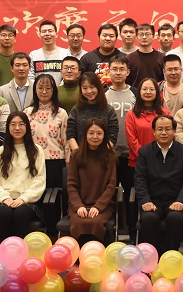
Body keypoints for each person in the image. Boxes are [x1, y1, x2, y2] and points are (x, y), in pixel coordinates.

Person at [134, 115, 183, 253]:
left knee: (175, 217)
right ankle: (154, 255)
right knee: (148, 218)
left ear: (174, 131)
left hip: (176, 201)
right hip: (153, 201)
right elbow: (139, 179)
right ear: (153, 131)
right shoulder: (145, 152)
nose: (163, 133)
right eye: (160, 129)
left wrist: (181, 201)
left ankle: (171, 254)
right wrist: (145, 200)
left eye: (168, 129)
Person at [0, 111, 46, 245]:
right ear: (8, 128)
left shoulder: (36, 150)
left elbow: (39, 180)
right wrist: (5, 198)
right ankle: (0, 253)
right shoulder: (0, 152)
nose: (17, 128)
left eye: (21, 124)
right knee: (4, 214)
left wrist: (23, 199)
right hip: (3, 201)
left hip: (28, 202)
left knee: (20, 213)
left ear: (27, 127)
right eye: (13, 124)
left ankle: (26, 253)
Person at [67, 118, 117, 245]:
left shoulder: (110, 156)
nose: (95, 136)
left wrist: (98, 207)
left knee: (95, 221)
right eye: (91, 133)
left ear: (104, 135)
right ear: (85, 134)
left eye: (99, 133)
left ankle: (98, 253)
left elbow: (111, 186)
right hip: (79, 205)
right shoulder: (75, 156)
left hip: (103, 206)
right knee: (79, 222)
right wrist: (78, 206)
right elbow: (71, 185)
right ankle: (79, 255)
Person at [104, 55, 138, 242]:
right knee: (108, 196)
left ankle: (133, 234)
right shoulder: (103, 94)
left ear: (128, 72)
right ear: (108, 71)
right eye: (114, 69)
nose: (118, 73)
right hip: (108, 156)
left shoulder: (135, 93)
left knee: (131, 196)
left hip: (131, 155)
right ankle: (110, 236)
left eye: (121, 69)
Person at [24, 74, 69, 193]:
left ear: (54, 90)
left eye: (48, 88)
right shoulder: (27, 112)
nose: (44, 92)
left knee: (54, 197)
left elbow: (67, 141)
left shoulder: (61, 113)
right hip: (33, 160)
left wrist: (68, 164)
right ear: (35, 90)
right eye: (40, 88)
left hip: (55, 162)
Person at [67, 72, 119, 156]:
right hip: (81, 156)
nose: (89, 91)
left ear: (98, 87)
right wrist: (78, 154)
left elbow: (113, 136)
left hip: (104, 157)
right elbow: (70, 134)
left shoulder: (109, 110)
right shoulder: (76, 110)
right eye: (85, 88)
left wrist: (101, 155)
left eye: (92, 87)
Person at [125, 78, 171, 169]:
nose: (148, 92)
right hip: (138, 163)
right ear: (139, 91)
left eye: (152, 89)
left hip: (161, 162)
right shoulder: (131, 114)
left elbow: (169, 137)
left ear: (157, 92)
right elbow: (132, 140)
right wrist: (146, 156)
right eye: (144, 89)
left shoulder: (165, 113)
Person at [28, 20, 70, 85]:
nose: (47, 34)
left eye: (50, 31)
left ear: (56, 34)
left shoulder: (66, 54)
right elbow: (30, 76)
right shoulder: (33, 55)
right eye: (44, 31)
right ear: (39, 35)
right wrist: (39, 88)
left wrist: (59, 88)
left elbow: (68, 75)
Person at [127, 23, 164, 87]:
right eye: (141, 34)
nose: (144, 37)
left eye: (147, 34)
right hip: (135, 92)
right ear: (136, 37)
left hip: (156, 92)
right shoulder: (129, 58)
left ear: (153, 36)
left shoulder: (161, 57)